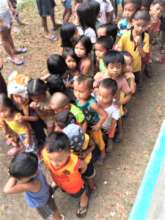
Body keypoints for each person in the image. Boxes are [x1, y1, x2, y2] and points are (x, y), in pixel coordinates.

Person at [42, 132, 90, 218]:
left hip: (75, 186)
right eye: (51, 159)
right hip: (59, 180)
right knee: (61, 185)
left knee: (81, 193)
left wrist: (82, 172)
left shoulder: (74, 161)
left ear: (69, 153)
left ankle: (84, 201)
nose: (54, 163)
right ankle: (57, 184)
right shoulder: (46, 153)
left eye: (59, 160)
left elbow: (84, 165)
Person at [3, 152, 63, 220]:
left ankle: (58, 218)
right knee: (53, 208)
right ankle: (59, 217)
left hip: (42, 202)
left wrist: (12, 175)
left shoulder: (30, 185)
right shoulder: (34, 165)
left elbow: (6, 190)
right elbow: (26, 159)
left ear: (31, 176)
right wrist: (14, 171)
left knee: (52, 211)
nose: (17, 179)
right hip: (46, 191)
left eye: (18, 178)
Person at [7, 71, 46, 149]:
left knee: (39, 134)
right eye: (16, 96)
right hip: (23, 127)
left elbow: (36, 118)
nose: (19, 99)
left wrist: (24, 118)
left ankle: (41, 143)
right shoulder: (12, 104)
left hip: (35, 124)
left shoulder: (30, 103)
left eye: (21, 96)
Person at [73, 75, 107, 161]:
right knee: (89, 139)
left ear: (90, 91)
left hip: (93, 125)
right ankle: (92, 151)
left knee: (98, 140)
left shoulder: (92, 104)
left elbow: (104, 115)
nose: (77, 93)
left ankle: (103, 152)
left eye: (80, 91)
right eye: (75, 90)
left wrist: (98, 125)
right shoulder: (77, 99)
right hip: (84, 125)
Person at [117, 10, 150, 85]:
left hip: (136, 66)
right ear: (132, 22)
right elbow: (119, 49)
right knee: (125, 81)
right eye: (138, 25)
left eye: (144, 26)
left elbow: (144, 55)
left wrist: (139, 45)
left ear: (147, 25)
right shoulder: (126, 35)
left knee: (134, 81)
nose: (140, 28)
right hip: (125, 66)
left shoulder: (146, 37)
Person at [97, 78, 120, 149]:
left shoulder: (114, 108)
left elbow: (113, 124)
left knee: (108, 137)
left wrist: (111, 134)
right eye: (100, 95)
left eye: (105, 97)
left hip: (108, 127)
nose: (101, 98)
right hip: (98, 124)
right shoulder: (96, 100)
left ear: (113, 96)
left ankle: (110, 140)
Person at [0, 0, 26, 65]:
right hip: (0, 15)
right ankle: (12, 57)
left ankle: (14, 50)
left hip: (6, 11)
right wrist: (1, 22)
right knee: (4, 38)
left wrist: (11, 8)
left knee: (8, 33)